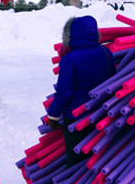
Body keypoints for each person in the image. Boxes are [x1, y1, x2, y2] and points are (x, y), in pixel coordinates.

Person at [46, 16, 115, 168]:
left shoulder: (69, 59)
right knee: (98, 158)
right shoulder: (106, 52)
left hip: (76, 118)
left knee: (76, 162)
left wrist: (53, 115)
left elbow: (64, 92)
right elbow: (112, 81)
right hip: (101, 115)